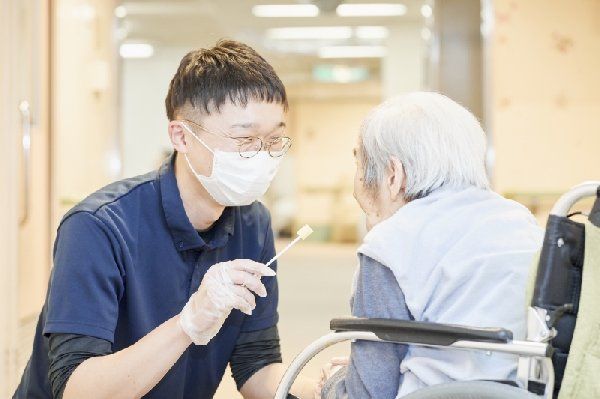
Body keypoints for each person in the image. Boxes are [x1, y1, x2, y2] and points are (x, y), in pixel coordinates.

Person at [14, 40, 314, 399]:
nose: (262, 156)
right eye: (245, 139)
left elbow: (256, 364)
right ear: (181, 136)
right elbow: (78, 389)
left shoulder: (252, 223)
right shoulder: (97, 227)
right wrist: (189, 323)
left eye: (274, 139)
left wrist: (324, 389)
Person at [317, 92, 543, 398]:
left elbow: (369, 394)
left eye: (360, 165)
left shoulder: (390, 244)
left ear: (393, 176)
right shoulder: (520, 220)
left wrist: (334, 382)